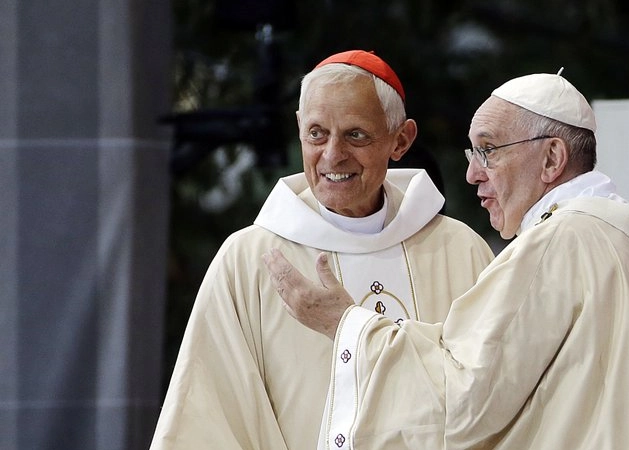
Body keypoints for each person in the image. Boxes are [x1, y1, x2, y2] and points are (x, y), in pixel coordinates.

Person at [266, 71, 629, 449]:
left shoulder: (560, 243)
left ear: (552, 157)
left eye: (489, 150)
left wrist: (346, 324)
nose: (472, 173)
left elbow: (462, 400)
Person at [150, 50, 495, 449]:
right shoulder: (248, 259)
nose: (333, 155)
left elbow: (491, 394)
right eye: (317, 133)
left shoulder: (459, 250)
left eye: (356, 135)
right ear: (299, 129)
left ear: (400, 140)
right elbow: (208, 415)